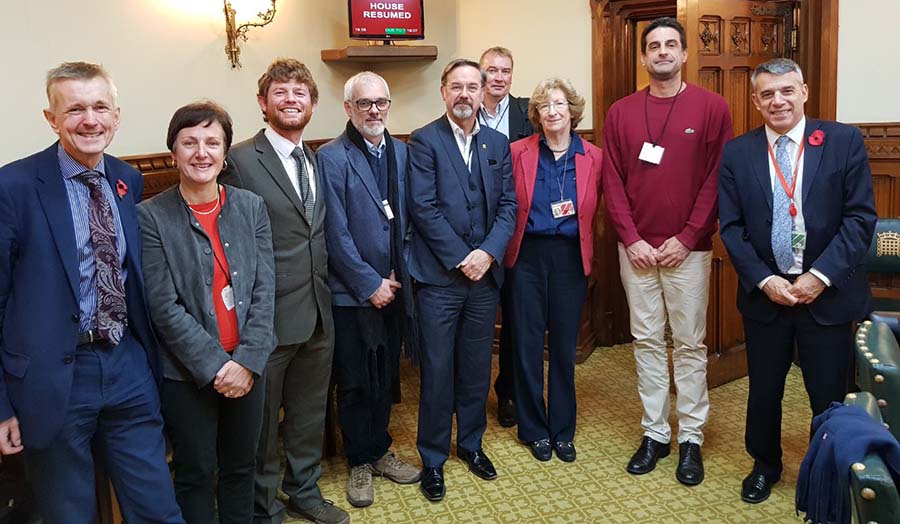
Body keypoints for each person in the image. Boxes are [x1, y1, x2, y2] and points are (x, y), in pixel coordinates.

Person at [0, 61, 182, 523]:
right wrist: (1, 406)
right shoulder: (14, 186)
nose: (90, 120)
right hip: (52, 380)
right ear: (51, 118)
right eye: (75, 109)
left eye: (100, 107)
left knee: (158, 508)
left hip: (127, 367)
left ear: (116, 116)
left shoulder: (127, 179)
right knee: (69, 515)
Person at [718, 57, 877, 504]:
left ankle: (825, 469)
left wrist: (819, 277)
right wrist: (765, 280)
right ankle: (764, 464)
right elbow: (731, 228)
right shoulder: (738, 151)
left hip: (826, 293)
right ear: (755, 101)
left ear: (804, 92)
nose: (778, 100)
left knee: (828, 393)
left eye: (787, 90)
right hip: (767, 294)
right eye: (767, 93)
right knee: (764, 391)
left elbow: (860, 218)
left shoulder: (842, 141)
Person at [602, 17, 733, 486]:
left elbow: (717, 179)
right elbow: (611, 181)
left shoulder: (713, 107)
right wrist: (631, 238)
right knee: (647, 342)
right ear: (643, 57)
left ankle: (691, 437)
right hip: (635, 249)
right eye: (653, 45)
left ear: (683, 54)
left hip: (689, 251)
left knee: (691, 344)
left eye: (670, 45)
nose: (662, 52)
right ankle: (656, 433)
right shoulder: (620, 113)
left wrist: (687, 236)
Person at [221, 59, 349, 524]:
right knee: (260, 424)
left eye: (300, 92)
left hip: (318, 311)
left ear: (313, 104)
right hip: (266, 319)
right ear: (262, 102)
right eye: (281, 91)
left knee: (309, 413)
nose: (291, 99)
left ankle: (305, 490)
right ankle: (264, 503)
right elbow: (230, 246)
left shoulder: (313, 158)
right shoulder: (237, 160)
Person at [139, 101, 276, 524]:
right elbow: (163, 306)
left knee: (241, 468)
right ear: (174, 151)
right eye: (190, 142)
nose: (202, 152)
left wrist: (246, 363)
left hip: (249, 365)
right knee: (196, 472)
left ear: (225, 152)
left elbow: (264, 289)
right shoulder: (149, 216)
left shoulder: (251, 206)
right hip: (186, 374)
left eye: (212, 142)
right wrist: (219, 367)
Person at [407, 58, 517, 502]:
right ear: (443, 91)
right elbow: (424, 208)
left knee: (475, 369)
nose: (465, 94)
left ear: (483, 90)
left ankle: (471, 444)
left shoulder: (497, 143)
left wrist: (487, 254)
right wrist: (462, 258)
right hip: (439, 280)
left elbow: (508, 206)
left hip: (484, 279)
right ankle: (433, 458)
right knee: (437, 371)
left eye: (473, 86)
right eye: (457, 86)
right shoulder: (424, 141)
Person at [317, 72, 422, 508]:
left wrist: (399, 278)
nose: (374, 110)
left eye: (381, 102)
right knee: (357, 379)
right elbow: (334, 231)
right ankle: (359, 460)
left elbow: (411, 217)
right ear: (348, 109)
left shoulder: (401, 152)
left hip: (396, 286)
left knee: (386, 376)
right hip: (352, 291)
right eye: (365, 104)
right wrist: (368, 284)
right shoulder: (331, 156)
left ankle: (379, 450)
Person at [503, 78, 602, 462]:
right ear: (537, 115)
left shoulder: (594, 157)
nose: (553, 112)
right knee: (526, 345)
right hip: (526, 257)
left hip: (569, 259)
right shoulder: (518, 152)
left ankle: (562, 428)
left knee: (563, 347)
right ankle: (533, 427)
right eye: (545, 106)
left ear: (573, 111)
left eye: (559, 104)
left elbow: (596, 208)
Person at [478, 46, 536, 428]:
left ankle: (509, 393)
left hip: (519, 233)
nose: (499, 77)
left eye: (506, 71)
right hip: (475, 235)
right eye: (491, 70)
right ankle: (467, 394)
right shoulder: (464, 109)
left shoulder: (527, 113)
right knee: (478, 322)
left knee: (517, 321)